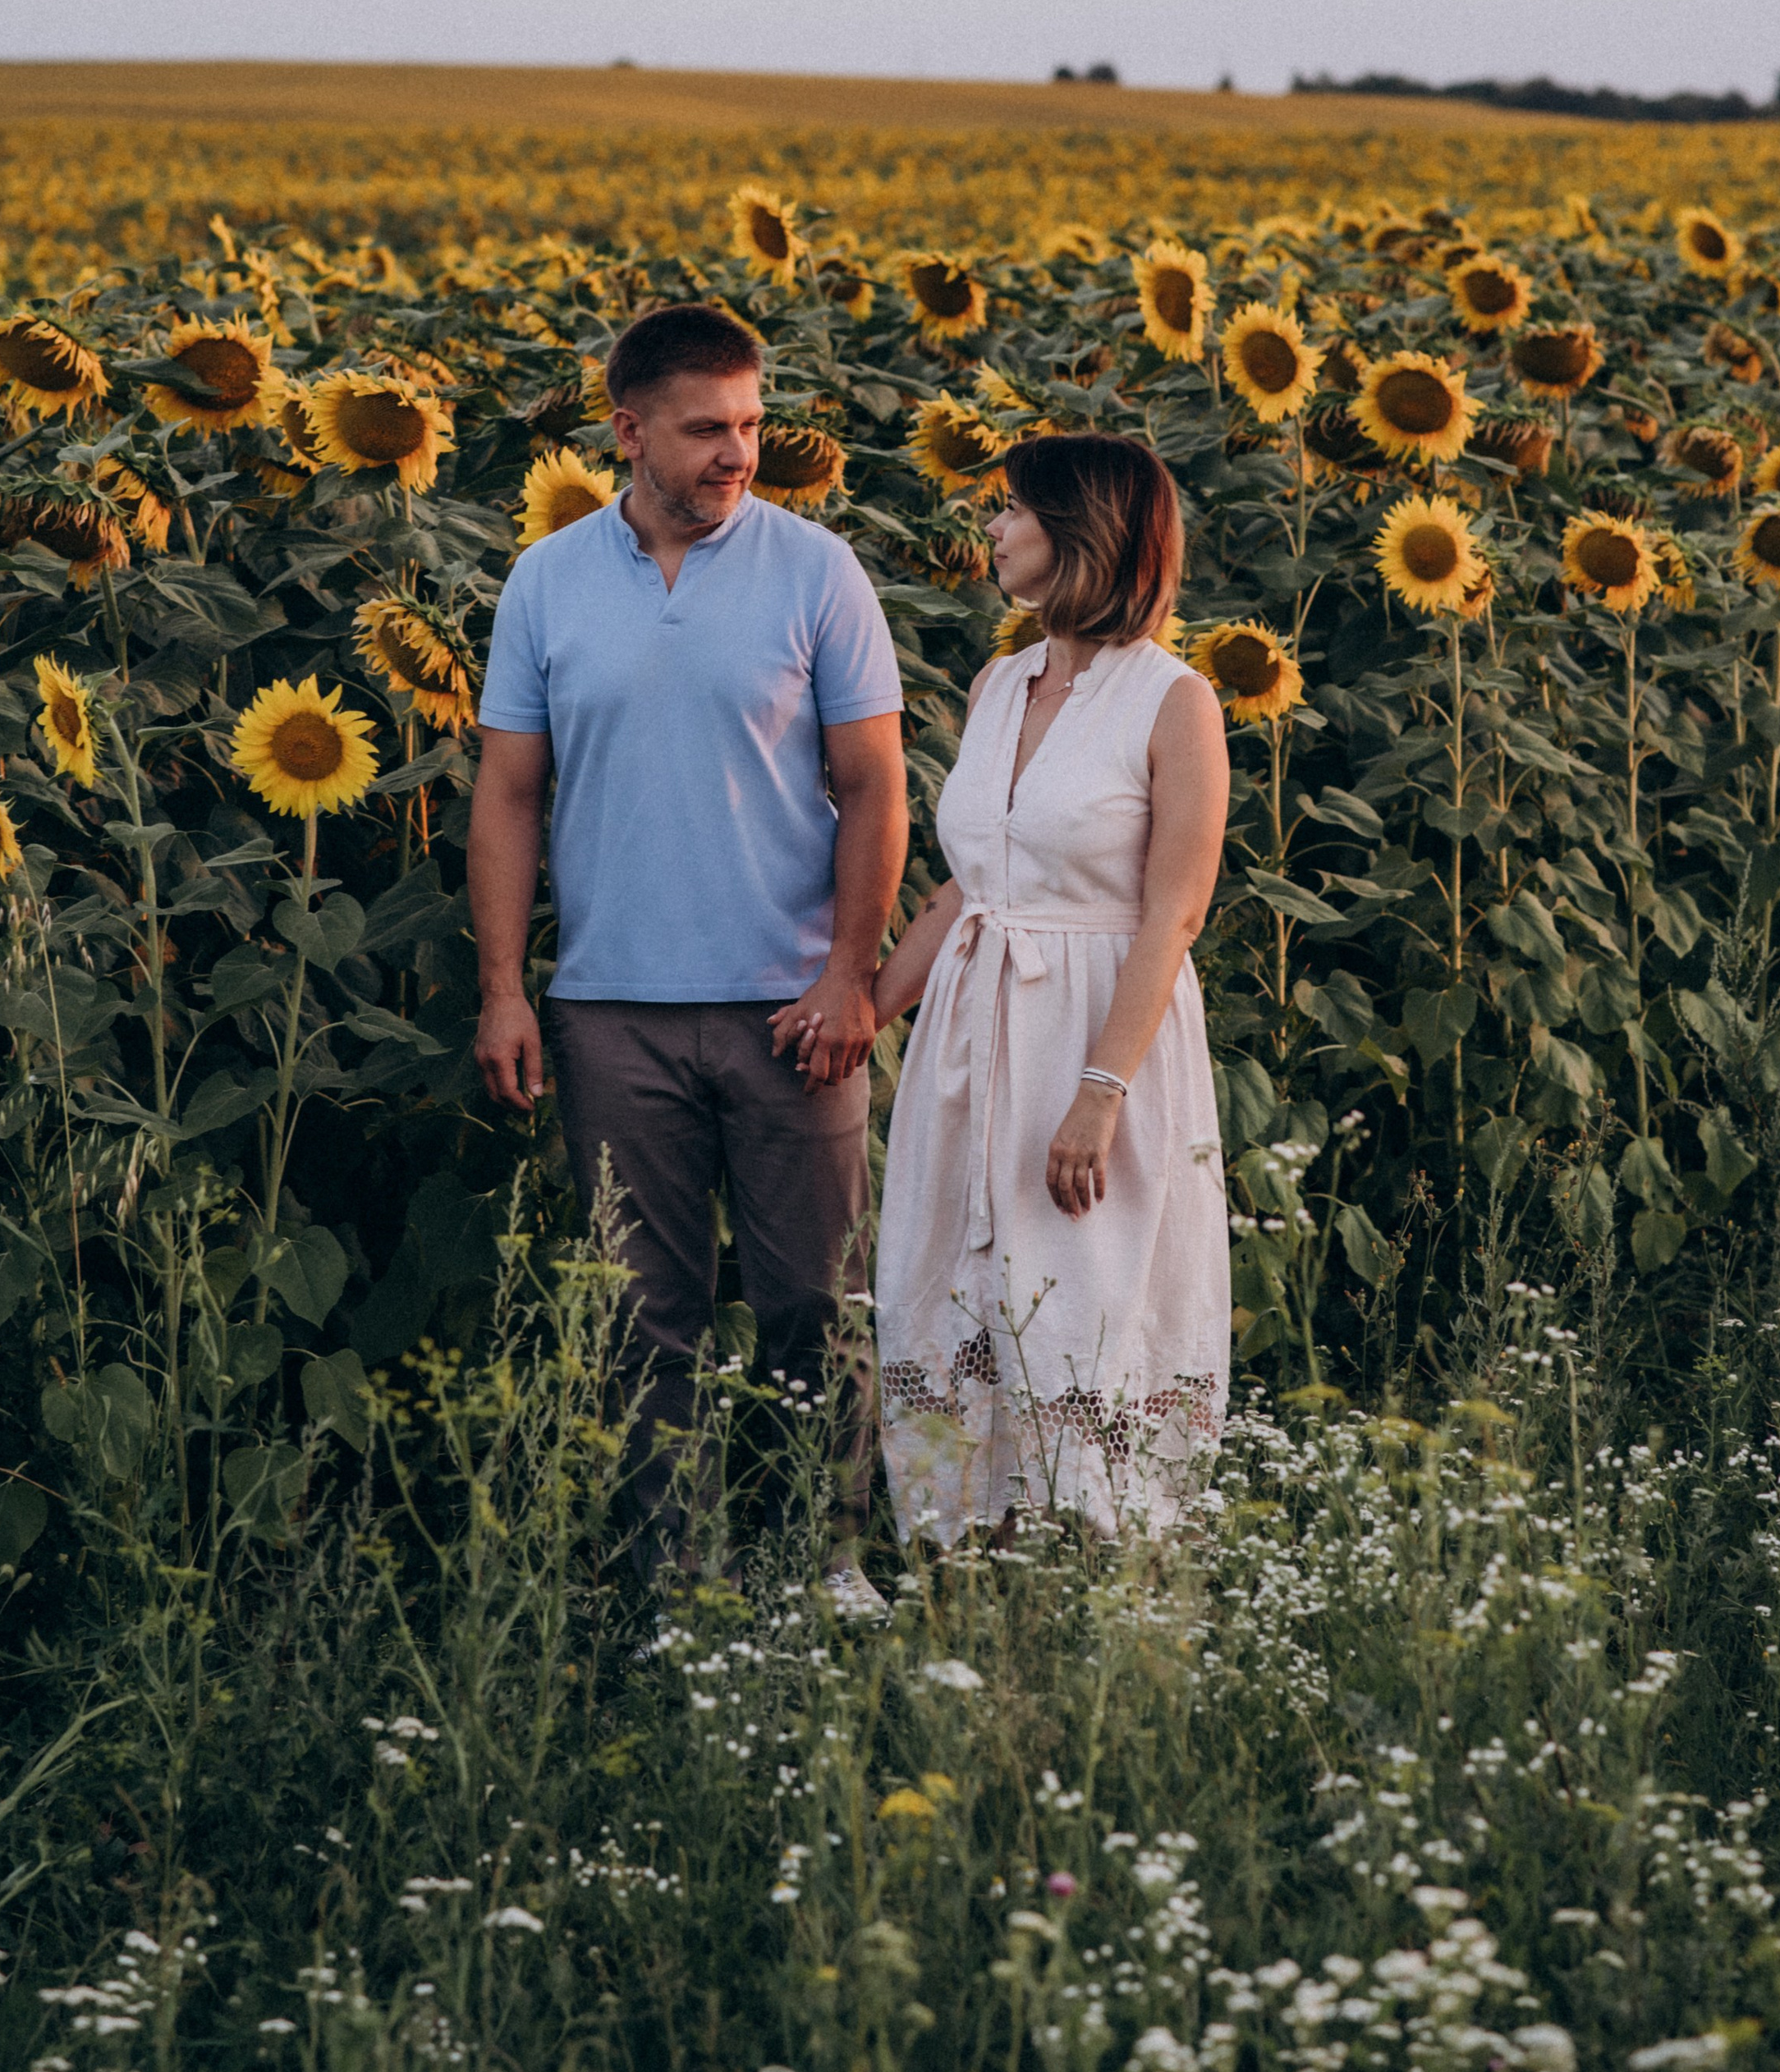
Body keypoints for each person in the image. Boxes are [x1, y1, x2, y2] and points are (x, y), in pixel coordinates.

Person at [470, 300, 909, 1609]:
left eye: (753, 424)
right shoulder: (547, 581)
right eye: (709, 429)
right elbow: (508, 796)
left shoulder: (818, 572)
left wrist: (849, 976)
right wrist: (504, 991)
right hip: (612, 1011)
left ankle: (823, 1565)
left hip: (793, 1008)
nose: (740, 453)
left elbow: (875, 786)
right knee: (640, 1319)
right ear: (628, 432)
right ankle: (673, 1589)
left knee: (815, 1307)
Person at [870, 433, 1232, 1547]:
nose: (993, 526)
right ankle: (966, 1546)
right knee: (955, 1284)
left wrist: (1099, 1091)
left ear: (1083, 533)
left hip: (1097, 1033)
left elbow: (1173, 913)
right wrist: (863, 1013)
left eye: (1015, 508)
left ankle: (1103, 1553)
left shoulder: (1174, 701)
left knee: (1086, 1292)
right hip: (973, 1036)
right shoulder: (1000, 682)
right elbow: (970, 885)